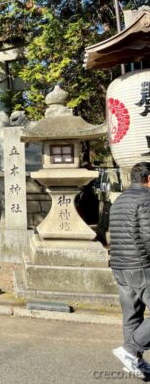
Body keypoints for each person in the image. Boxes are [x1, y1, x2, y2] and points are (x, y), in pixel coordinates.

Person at [109, 162, 150, 378]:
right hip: (141, 266)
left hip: (120, 265)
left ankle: (136, 362)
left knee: (132, 315)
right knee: (134, 315)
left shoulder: (119, 200)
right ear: (149, 179)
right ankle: (131, 350)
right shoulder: (146, 199)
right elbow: (148, 235)